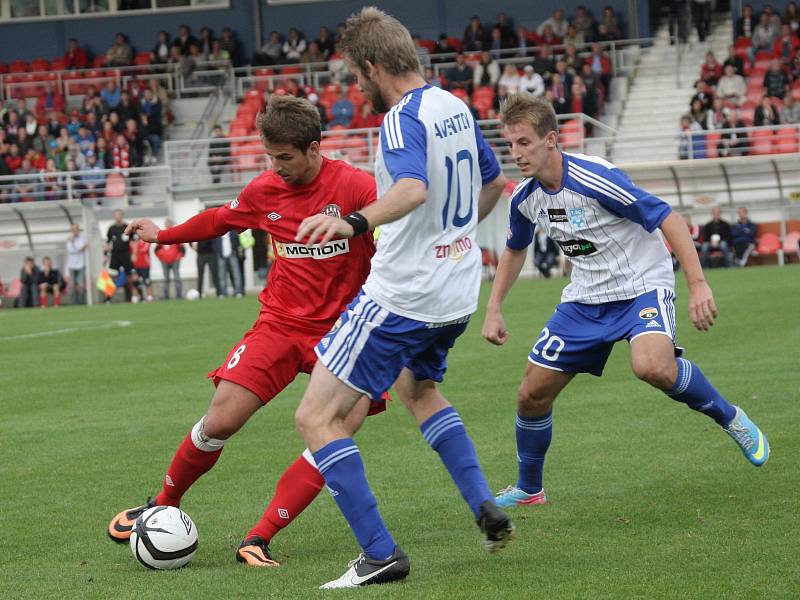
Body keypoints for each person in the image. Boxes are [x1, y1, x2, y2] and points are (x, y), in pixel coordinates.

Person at [111, 95, 384, 569]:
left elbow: (394, 237)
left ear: (315, 148)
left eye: (285, 157)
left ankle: (258, 537)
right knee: (219, 420)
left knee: (332, 435)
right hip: (280, 323)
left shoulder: (357, 187)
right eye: (270, 156)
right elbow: (219, 219)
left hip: (345, 334)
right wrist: (163, 234)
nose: (276, 167)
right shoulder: (265, 190)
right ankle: (162, 504)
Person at [291, 8, 510, 589]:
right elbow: (493, 181)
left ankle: (379, 553)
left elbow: (412, 188)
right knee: (420, 389)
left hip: (404, 295)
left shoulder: (399, 120)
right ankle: (485, 505)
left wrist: (353, 223)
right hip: (458, 292)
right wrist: (457, 237)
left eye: (356, 76)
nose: (355, 88)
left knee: (316, 416)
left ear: (372, 66)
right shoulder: (455, 106)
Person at [481, 94, 769, 514]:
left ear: (551, 140)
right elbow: (514, 249)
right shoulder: (525, 199)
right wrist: (493, 307)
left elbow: (667, 216)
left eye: (524, 142)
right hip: (586, 297)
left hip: (641, 285)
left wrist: (698, 283)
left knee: (653, 367)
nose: (516, 153)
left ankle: (732, 418)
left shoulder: (595, 178)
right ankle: (529, 488)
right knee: (531, 394)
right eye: (510, 144)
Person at [105, 209, 135, 302]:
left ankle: (135, 296)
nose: (117, 217)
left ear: (122, 216)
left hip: (125, 254)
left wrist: (134, 254)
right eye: (116, 215)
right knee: (112, 276)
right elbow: (107, 242)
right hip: (115, 255)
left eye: (119, 215)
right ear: (114, 217)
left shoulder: (127, 227)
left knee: (130, 276)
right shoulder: (111, 228)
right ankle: (108, 298)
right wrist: (105, 254)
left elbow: (134, 241)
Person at [155, 218, 185, 300]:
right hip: (164, 261)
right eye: (166, 223)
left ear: (172, 224)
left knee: (177, 277)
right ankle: (166, 296)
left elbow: (182, 249)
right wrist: (161, 257)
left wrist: (179, 257)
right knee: (166, 279)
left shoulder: (176, 234)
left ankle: (179, 295)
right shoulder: (161, 234)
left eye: (169, 223)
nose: (168, 225)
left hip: (175, 260)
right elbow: (156, 250)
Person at [217, 230, 243, 297]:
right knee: (222, 275)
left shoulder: (233, 232)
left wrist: (237, 251)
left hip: (232, 254)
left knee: (236, 274)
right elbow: (215, 244)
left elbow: (237, 243)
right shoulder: (218, 233)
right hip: (221, 256)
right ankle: (223, 293)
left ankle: (238, 291)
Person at [66, 223, 87, 305]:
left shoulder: (82, 238)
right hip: (71, 265)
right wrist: (81, 247)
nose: (75, 231)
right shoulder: (69, 239)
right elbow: (71, 250)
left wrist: (76, 245)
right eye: (73, 229)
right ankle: (73, 303)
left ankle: (81, 303)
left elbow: (81, 247)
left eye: (76, 229)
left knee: (81, 285)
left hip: (81, 264)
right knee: (72, 285)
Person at [130, 234, 153, 302]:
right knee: (135, 281)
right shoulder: (132, 242)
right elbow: (131, 251)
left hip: (145, 264)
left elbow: (144, 249)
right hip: (135, 265)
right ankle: (135, 297)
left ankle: (149, 297)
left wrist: (136, 247)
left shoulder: (146, 241)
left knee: (147, 281)